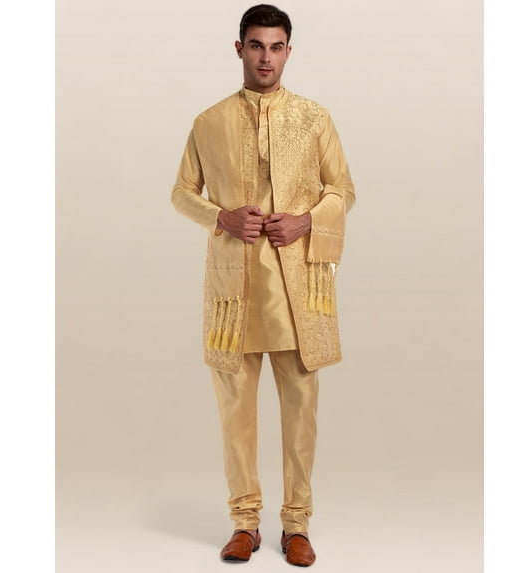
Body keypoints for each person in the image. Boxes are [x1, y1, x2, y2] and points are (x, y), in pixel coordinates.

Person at [171, 4, 355, 567]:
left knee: (301, 414)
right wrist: (220, 217)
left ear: (288, 52)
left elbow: (342, 190)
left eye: (276, 47)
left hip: (298, 290)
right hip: (235, 293)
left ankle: (296, 525)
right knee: (236, 414)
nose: (266, 57)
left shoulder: (314, 118)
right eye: (256, 45)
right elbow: (181, 193)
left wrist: (306, 221)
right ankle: (244, 523)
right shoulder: (209, 122)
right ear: (239, 49)